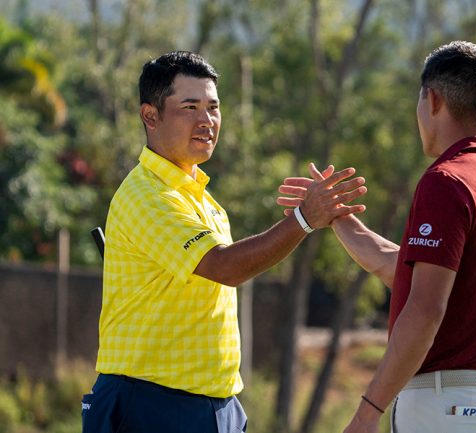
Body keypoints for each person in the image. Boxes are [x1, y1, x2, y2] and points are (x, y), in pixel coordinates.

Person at [81, 51, 367, 433]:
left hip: (216, 404)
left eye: (213, 108)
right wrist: (303, 219)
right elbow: (226, 266)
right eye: (189, 107)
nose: (207, 121)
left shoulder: (204, 201)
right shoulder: (147, 195)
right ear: (151, 116)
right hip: (150, 402)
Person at [278, 41, 476, 433]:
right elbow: (409, 273)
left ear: (433, 100)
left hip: (450, 409)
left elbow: (424, 309)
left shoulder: (446, 181)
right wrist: (340, 220)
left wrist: (367, 411)